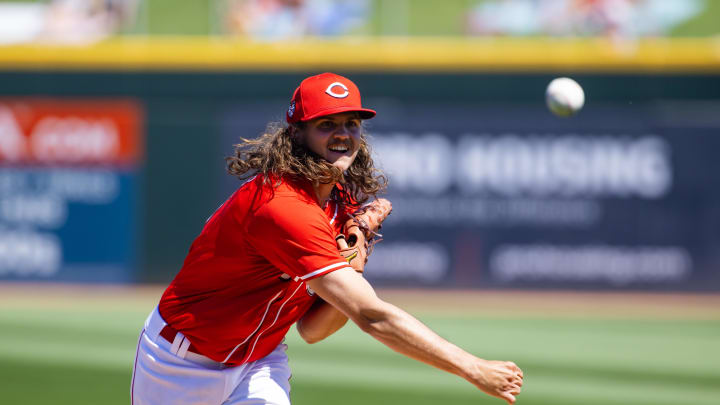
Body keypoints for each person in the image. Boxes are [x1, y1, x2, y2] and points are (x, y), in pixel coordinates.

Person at [130, 72, 524, 405]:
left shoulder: (337, 201)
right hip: (180, 365)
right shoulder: (281, 206)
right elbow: (371, 317)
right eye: (327, 124)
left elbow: (313, 330)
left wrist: (357, 254)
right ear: (297, 134)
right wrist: (471, 367)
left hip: (259, 361)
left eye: (351, 123)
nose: (343, 134)